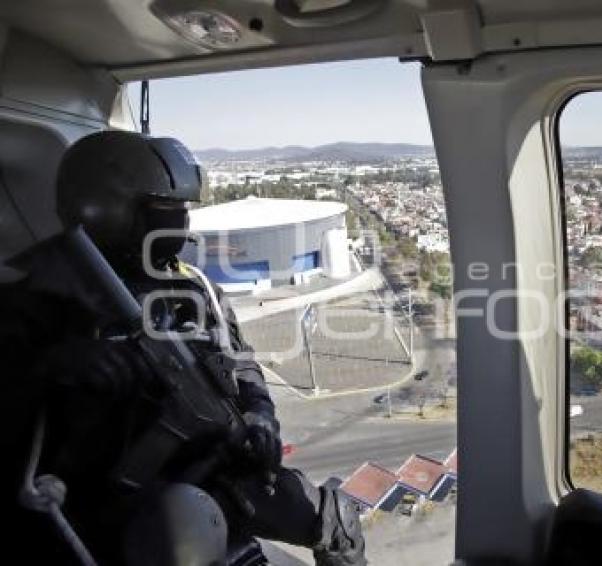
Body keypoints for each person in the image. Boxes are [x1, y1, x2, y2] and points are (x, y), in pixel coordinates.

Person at [3, 130, 365, 565]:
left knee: (338, 520)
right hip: (100, 500)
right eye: (165, 210)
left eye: (183, 210)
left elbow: (242, 363)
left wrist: (260, 416)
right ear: (107, 209)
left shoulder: (194, 287)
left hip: (217, 466)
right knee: (183, 533)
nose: (181, 223)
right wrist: (50, 368)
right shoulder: (37, 299)